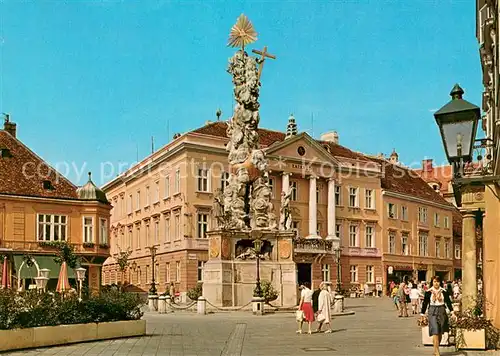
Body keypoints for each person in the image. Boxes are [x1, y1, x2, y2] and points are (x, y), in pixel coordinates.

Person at [420, 276, 454, 356]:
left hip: (442, 310)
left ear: (440, 283)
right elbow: (425, 303)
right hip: (432, 311)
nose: (436, 283)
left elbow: (448, 302)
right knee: (435, 330)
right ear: (432, 282)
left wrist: (452, 312)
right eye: (434, 281)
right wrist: (422, 314)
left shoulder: (444, 291)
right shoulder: (428, 292)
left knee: (440, 332)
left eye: (438, 282)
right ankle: (437, 352)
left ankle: (435, 349)